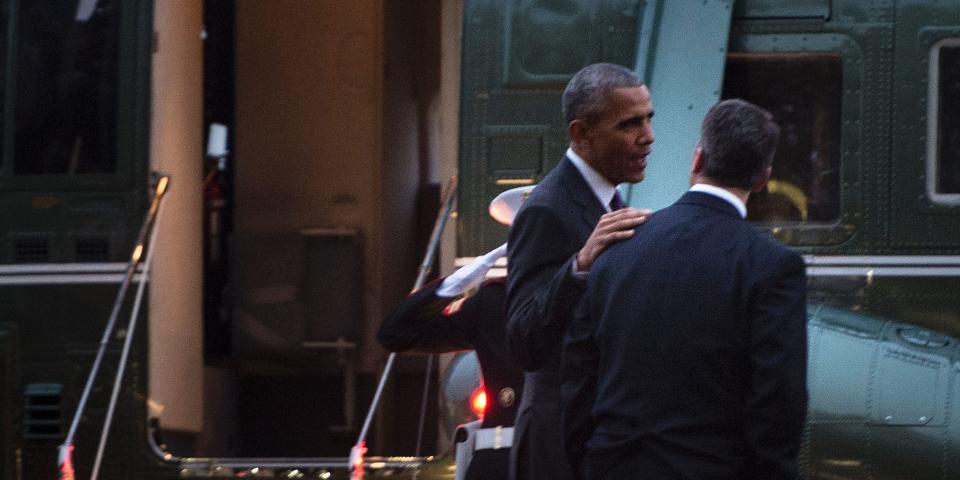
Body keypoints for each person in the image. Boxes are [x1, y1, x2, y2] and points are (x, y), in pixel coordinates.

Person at [561, 99, 808, 480]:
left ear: (697, 160)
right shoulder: (773, 266)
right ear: (762, 179)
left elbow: (578, 373)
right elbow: (778, 399)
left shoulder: (617, 246)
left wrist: (587, 460)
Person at [505, 63, 654, 480]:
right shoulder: (546, 210)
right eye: (630, 124)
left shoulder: (612, 202)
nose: (648, 136)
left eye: (648, 119)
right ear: (581, 134)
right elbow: (522, 341)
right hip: (557, 450)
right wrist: (579, 265)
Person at [377, 186, 533, 480]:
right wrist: (457, 284)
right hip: (500, 461)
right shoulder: (492, 303)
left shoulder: (592, 293)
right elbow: (397, 334)